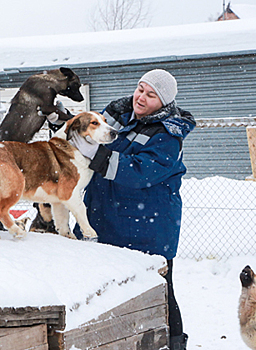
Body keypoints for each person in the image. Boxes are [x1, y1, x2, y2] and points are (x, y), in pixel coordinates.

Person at [70, 69, 195, 350]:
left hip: (146, 228)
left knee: (160, 291)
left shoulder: (168, 134)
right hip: (103, 216)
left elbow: (141, 172)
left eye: (151, 95)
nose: (141, 97)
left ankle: (174, 345)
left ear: (163, 103)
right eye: (141, 88)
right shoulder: (116, 114)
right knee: (101, 291)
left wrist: (99, 156)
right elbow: (87, 131)